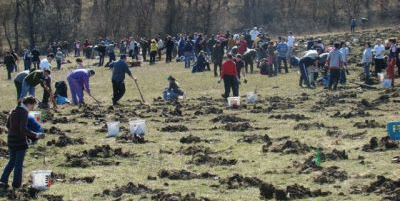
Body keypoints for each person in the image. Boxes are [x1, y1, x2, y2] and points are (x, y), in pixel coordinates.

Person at [0, 96, 45, 190]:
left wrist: (14, 131)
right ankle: (16, 185)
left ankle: (3, 181)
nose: (32, 109)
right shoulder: (24, 112)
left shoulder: (13, 110)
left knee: (11, 161)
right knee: (18, 164)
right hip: (20, 141)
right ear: (29, 104)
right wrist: (36, 135)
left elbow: (8, 126)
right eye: (33, 107)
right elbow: (23, 129)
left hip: (11, 140)